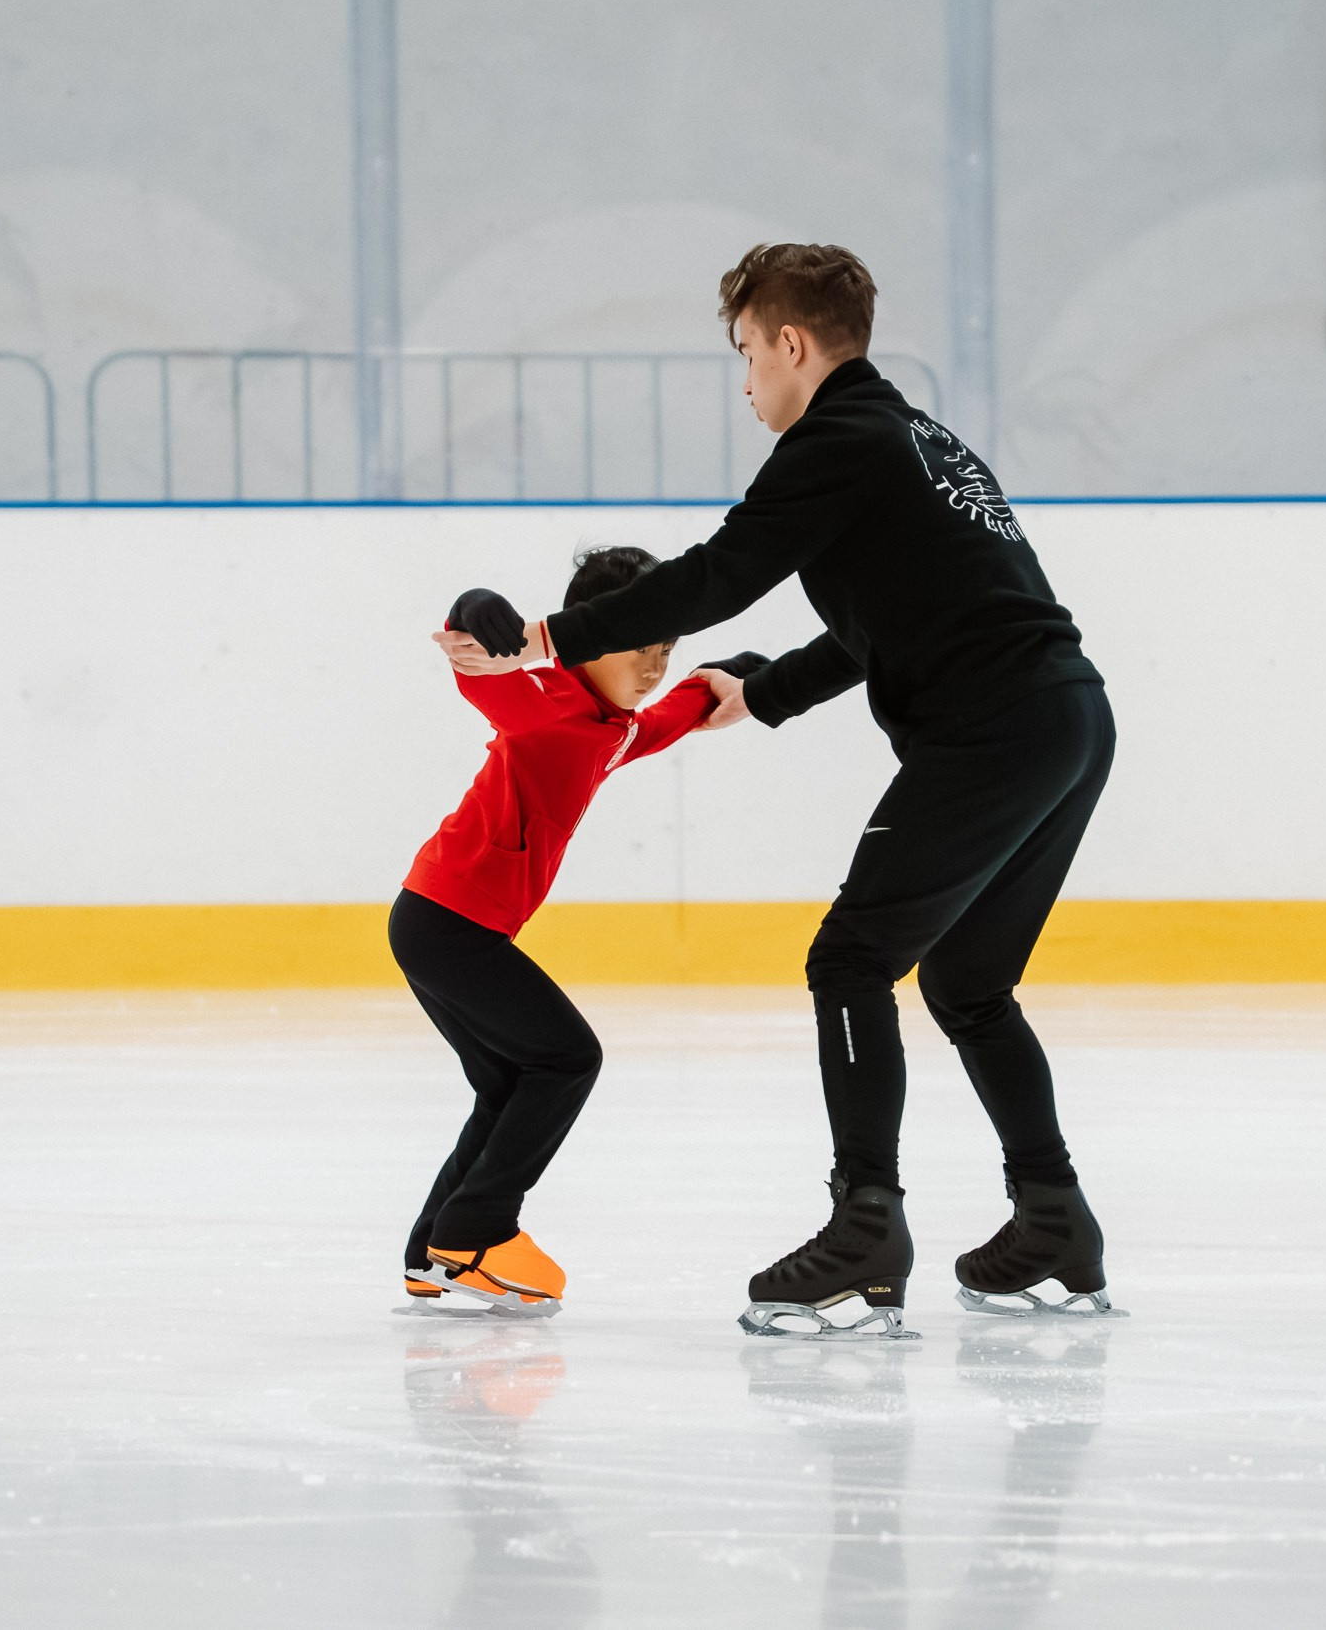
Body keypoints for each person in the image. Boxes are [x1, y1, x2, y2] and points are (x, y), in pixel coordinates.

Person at [433, 244, 1119, 1336]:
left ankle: (864, 1234)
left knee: (849, 959)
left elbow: (716, 573)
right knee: (968, 986)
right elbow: (876, 625)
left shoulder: (836, 439)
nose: (748, 379)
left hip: (992, 733)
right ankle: (1053, 1219)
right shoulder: (920, 441)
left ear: (793, 343)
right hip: (1067, 721)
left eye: (749, 352)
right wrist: (759, 697)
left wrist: (546, 639)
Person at [398, 545, 757, 1316]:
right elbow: (482, 669)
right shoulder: (544, 699)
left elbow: (666, 719)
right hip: (449, 922)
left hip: (441, 919)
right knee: (567, 1059)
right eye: (642, 645)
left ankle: (434, 1250)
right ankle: (477, 1231)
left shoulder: (614, 724)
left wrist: (726, 679)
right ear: (592, 634)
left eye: (667, 648)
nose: (656, 665)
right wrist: (475, 602)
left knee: (509, 1081)